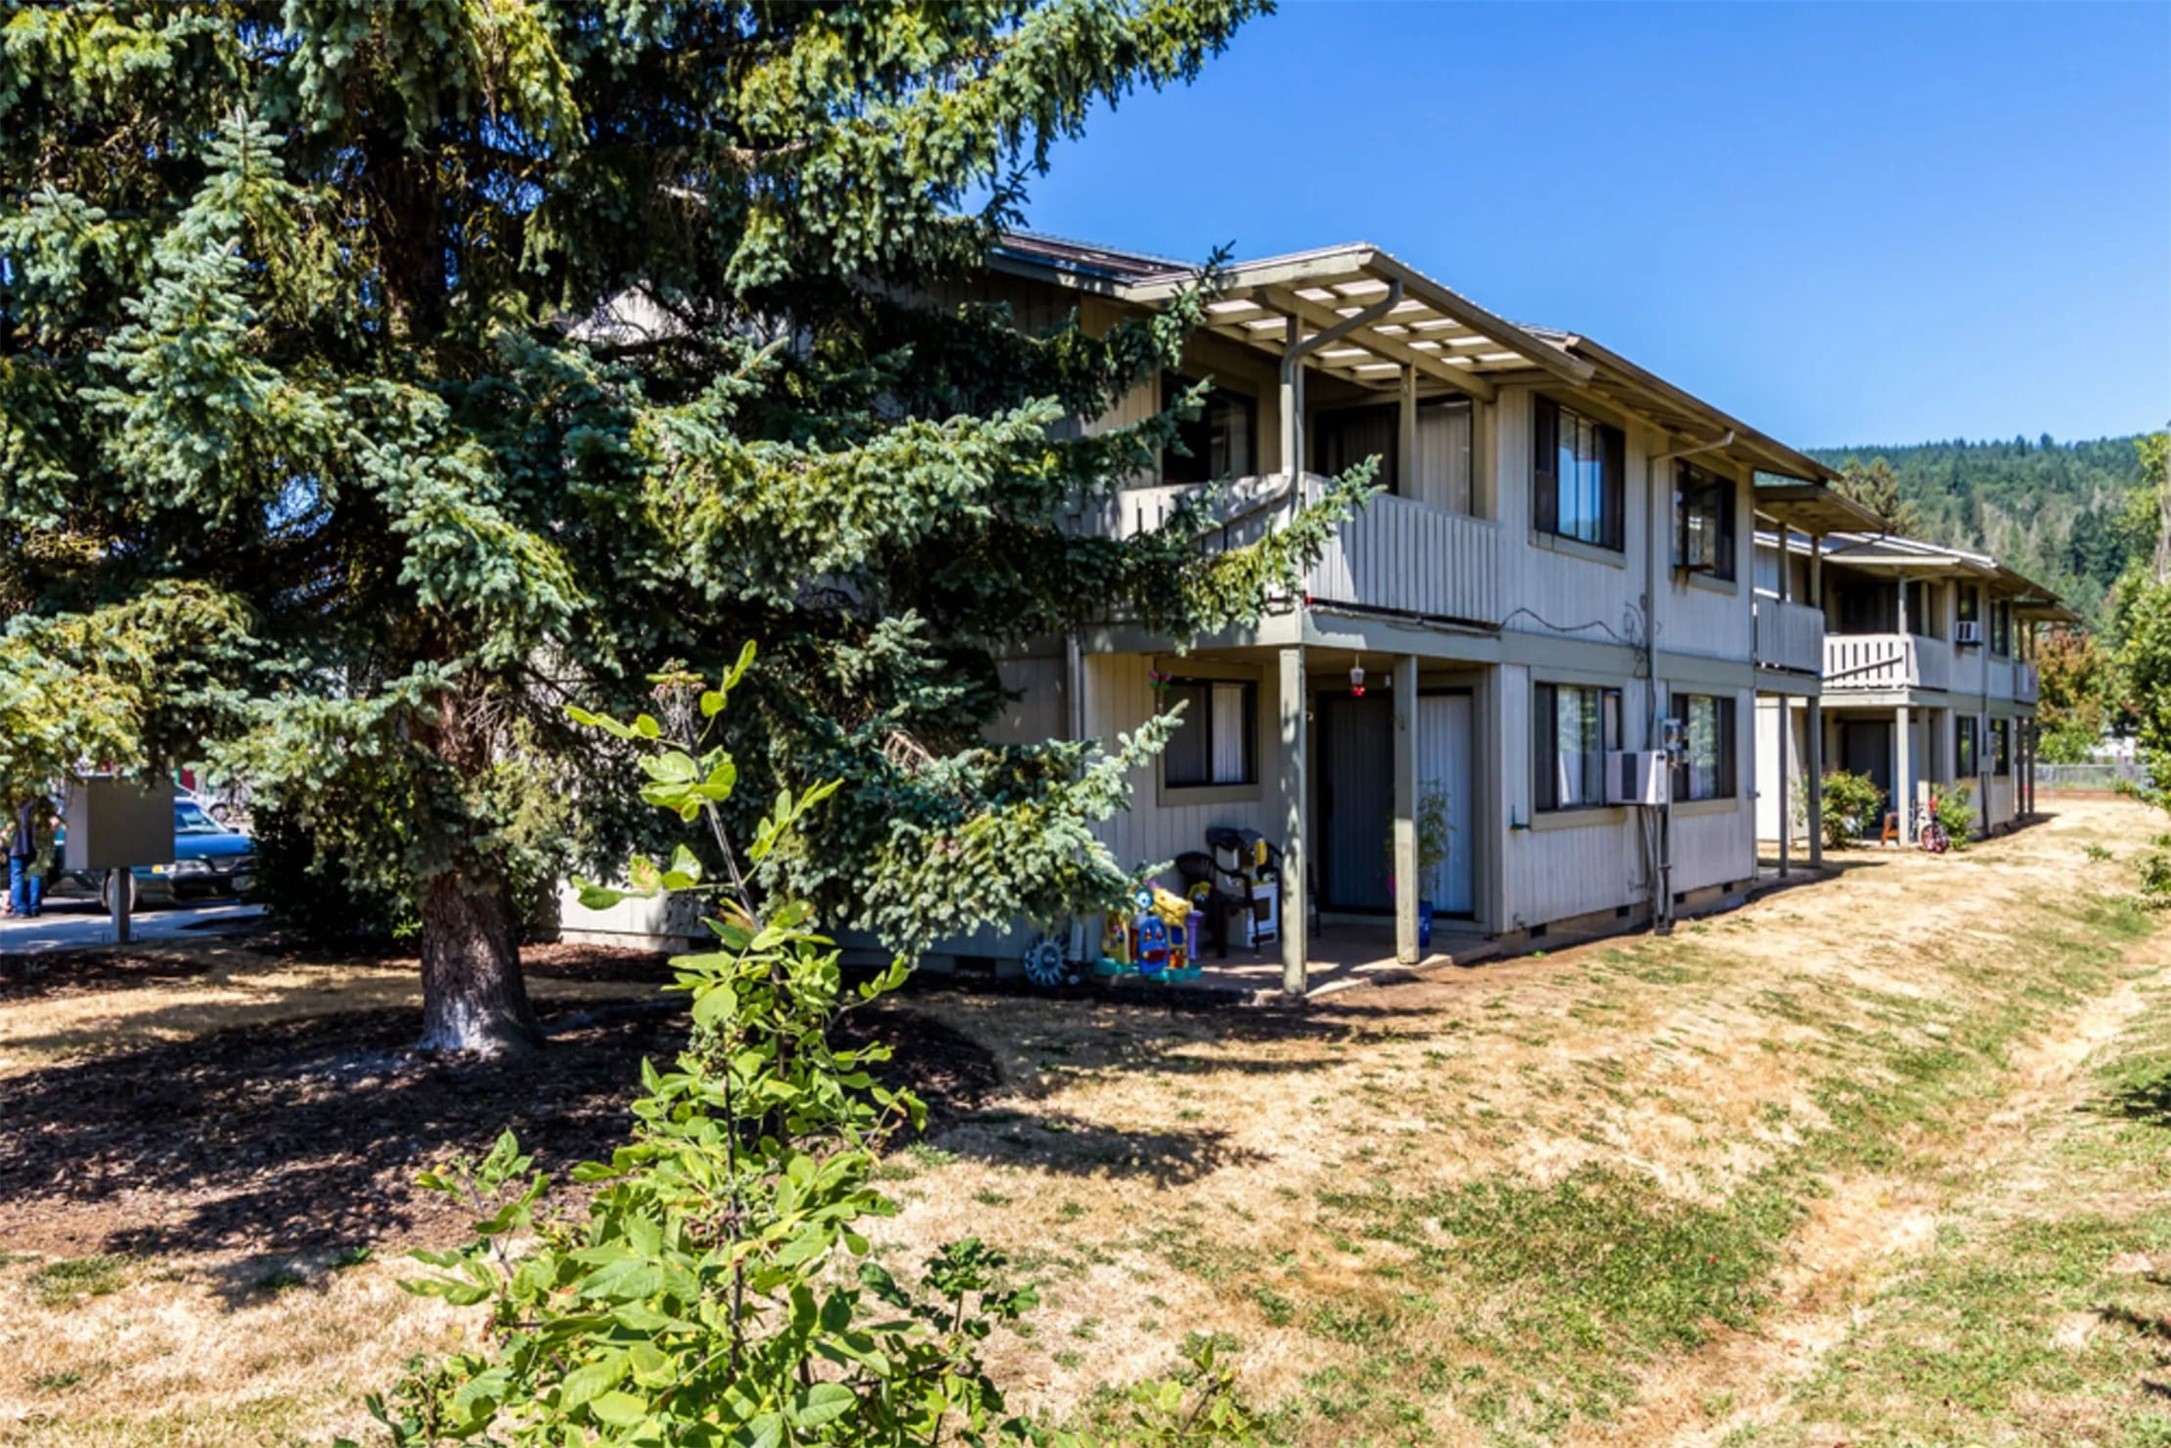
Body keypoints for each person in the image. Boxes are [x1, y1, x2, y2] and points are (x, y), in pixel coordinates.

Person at [9, 797, 44, 919]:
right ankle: (34, 907)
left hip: (16, 845)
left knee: (18, 876)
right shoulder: (37, 801)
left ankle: (20, 908)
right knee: (35, 875)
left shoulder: (13, 803)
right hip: (35, 844)